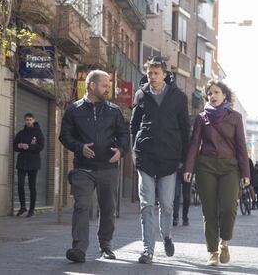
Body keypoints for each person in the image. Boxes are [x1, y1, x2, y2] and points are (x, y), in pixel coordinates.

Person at [59, 69, 129, 263]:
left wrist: (121, 151)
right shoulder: (74, 109)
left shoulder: (114, 111)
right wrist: (79, 147)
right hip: (83, 168)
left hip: (108, 168)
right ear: (92, 85)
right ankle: (79, 249)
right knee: (81, 206)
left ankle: (105, 245)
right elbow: (64, 136)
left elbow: (124, 135)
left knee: (108, 209)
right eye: (105, 85)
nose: (108, 89)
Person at [130, 56, 190, 264]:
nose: (152, 77)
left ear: (164, 74)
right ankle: (148, 249)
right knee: (146, 203)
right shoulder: (140, 95)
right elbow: (134, 126)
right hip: (145, 157)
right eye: (149, 73)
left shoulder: (179, 97)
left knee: (166, 204)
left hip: (169, 159)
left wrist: (184, 159)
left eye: (156, 73)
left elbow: (185, 129)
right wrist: (134, 152)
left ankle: (167, 235)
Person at [184, 80, 249, 266]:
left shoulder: (235, 117)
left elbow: (241, 146)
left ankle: (225, 242)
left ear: (225, 95)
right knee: (209, 210)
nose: (212, 96)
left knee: (229, 207)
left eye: (216, 92)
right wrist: (189, 168)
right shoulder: (201, 117)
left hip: (230, 167)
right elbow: (194, 143)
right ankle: (212, 252)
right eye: (209, 93)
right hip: (206, 166)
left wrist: (245, 172)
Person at [14, 113, 45, 218]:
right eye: (27, 119)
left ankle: (31, 209)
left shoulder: (38, 133)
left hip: (33, 163)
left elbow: (41, 146)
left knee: (32, 187)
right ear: (24, 120)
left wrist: (29, 147)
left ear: (33, 120)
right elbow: (14, 146)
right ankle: (23, 207)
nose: (28, 121)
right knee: (20, 185)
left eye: (30, 119)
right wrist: (19, 146)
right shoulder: (21, 133)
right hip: (22, 163)